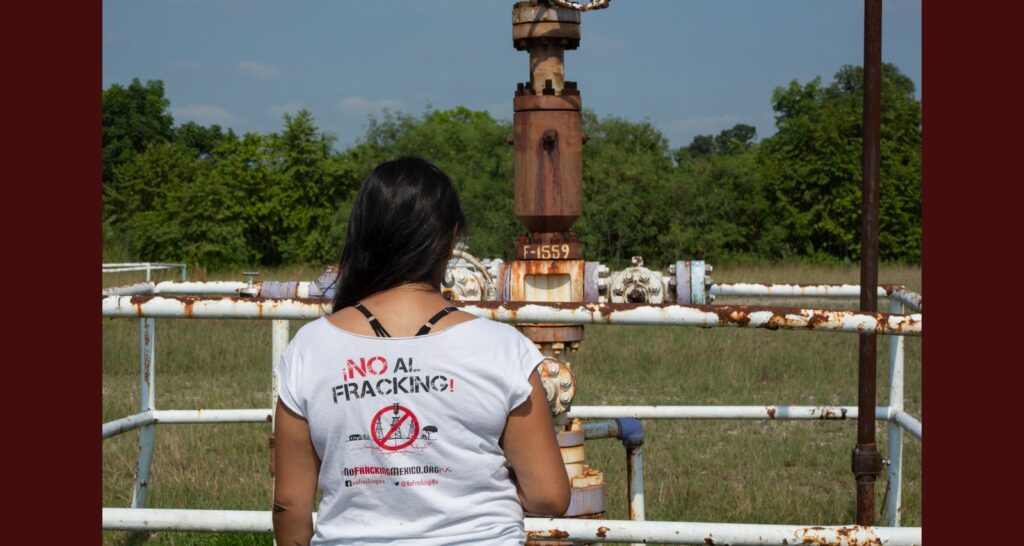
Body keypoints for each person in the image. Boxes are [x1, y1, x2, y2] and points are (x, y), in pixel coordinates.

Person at [272, 157, 571, 546]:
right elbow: (549, 495)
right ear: (450, 239)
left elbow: (289, 504)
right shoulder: (503, 348)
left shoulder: (310, 348)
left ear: (363, 235)